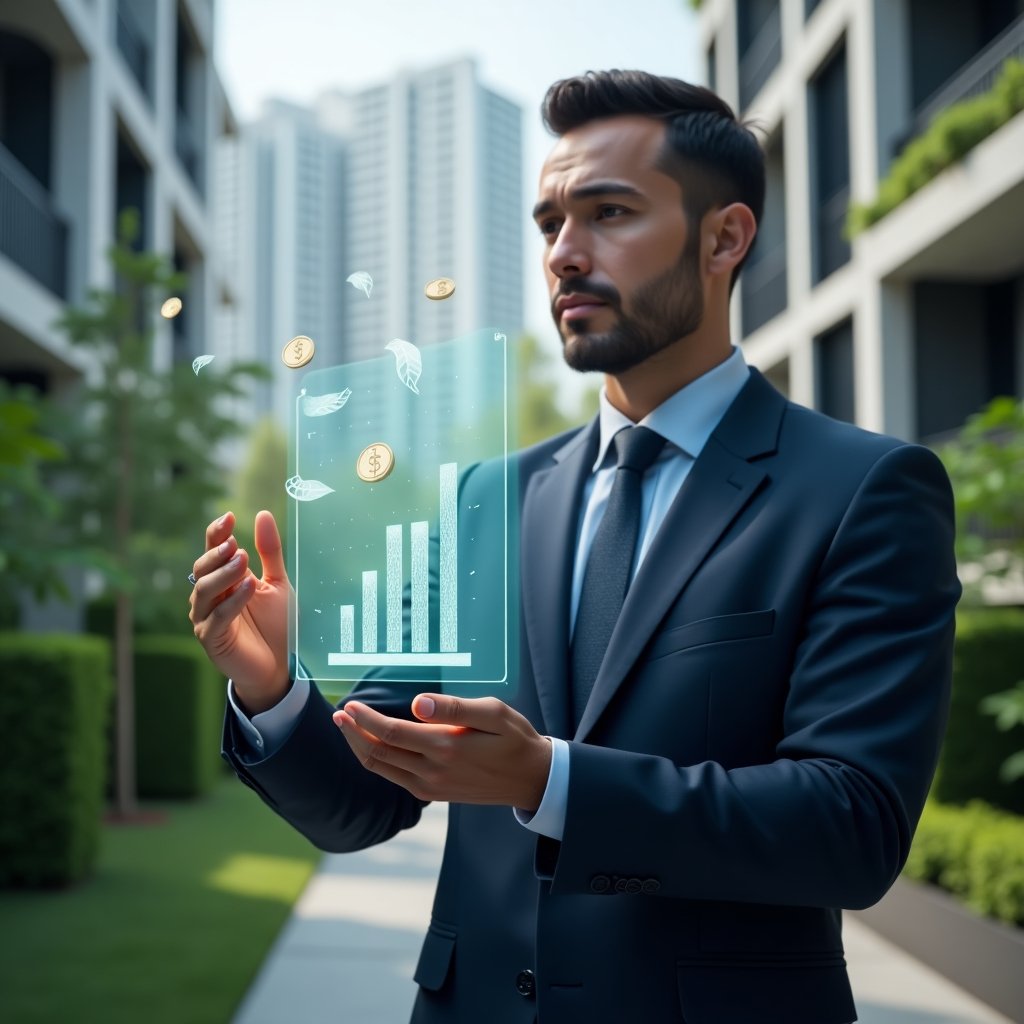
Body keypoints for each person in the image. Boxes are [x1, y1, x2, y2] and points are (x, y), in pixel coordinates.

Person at [189, 70, 960, 1024]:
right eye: (551, 222)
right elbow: (361, 800)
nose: (563, 254)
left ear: (725, 237)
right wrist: (273, 688)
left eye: (608, 213)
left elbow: (852, 827)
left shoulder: (863, 491)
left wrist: (550, 781)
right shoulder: (488, 499)